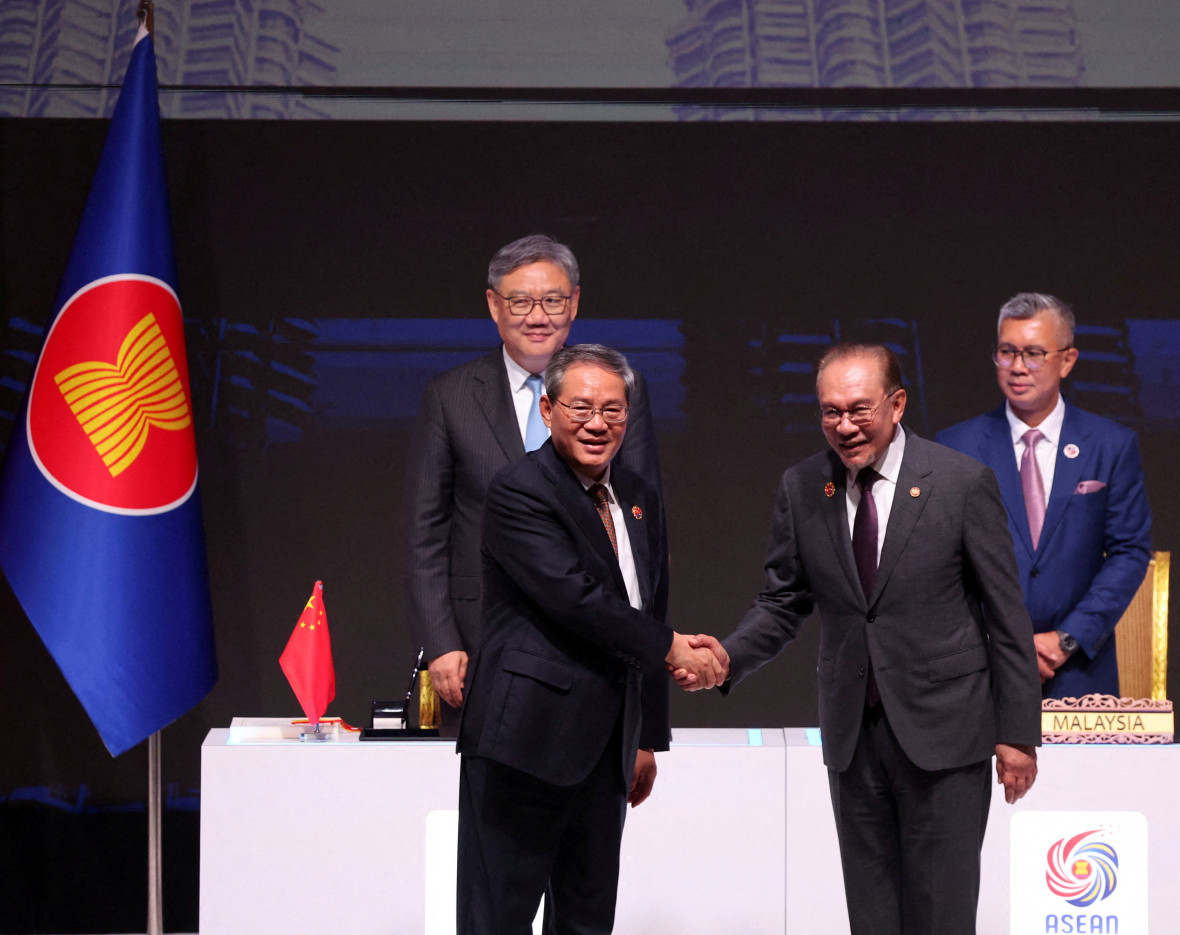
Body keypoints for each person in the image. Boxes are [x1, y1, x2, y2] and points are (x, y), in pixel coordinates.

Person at [680, 343, 1041, 935]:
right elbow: (782, 602)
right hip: (853, 739)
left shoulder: (959, 483)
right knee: (872, 917)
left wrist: (1019, 735)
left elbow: (1006, 617)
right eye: (830, 412)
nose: (844, 426)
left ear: (896, 404)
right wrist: (725, 659)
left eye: (858, 409)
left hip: (946, 737)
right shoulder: (802, 488)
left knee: (941, 916)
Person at [456, 344, 720, 935]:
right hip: (523, 743)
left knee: (587, 920)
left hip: (606, 752)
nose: (597, 423)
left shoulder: (638, 495)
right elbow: (577, 601)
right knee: (496, 918)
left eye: (613, 409)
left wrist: (648, 735)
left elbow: (650, 605)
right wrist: (674, 647)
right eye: (580, 407)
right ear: (547, 410)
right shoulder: (519, 491)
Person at [401, 235, 662, 726]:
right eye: (520, 301)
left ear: (575, 303)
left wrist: (643, 641)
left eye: (553, 300)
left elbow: (642, 524)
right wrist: (441, 643)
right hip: (482, 644)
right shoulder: (450, 396)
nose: (537, 316)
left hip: (598, 639)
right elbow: (425, 533)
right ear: (493, 305)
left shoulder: (621, 389)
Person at [936, 293, 1152, 699]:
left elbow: (1129, 552)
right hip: (979, 669)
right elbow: (940, 561)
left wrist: (1066, 639)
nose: (1018, 367)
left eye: (1034, 354)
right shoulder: (955, 447)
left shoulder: (1111, 445)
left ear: (1067, 360)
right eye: (1007, 352)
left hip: (1078, 669)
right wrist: (998, 644)